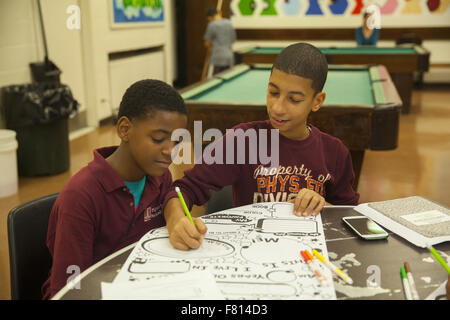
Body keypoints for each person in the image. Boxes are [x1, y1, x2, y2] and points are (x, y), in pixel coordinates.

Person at [163, 42, 360, 251]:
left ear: (317, 101)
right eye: (273, 93)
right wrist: (176, 220)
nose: (277, 108)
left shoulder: (335, 152)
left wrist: (323, 206)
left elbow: (350, 215)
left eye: (294, 99)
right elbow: (183, 188)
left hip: (311, 255)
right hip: (252, 252)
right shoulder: (244, 141)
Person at [41, 79, 188, 299]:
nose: (170, 151)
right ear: (124, 129)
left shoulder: (161, 178)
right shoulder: (81, 196)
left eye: (177, 141)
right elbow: (70, 289)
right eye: (158, 139)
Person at [204, 6, 236, 75]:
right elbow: (233, 40)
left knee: (216, 79)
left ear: (209, 17)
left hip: (218, 58)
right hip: (229, 56)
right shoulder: (229, 23)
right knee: (228, 77)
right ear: (219, 13)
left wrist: (210, 46)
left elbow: (207, 43)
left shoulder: (211, 25)